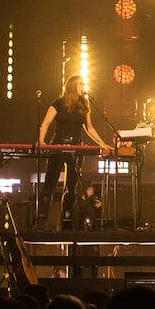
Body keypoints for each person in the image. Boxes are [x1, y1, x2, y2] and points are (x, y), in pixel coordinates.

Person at [36, 75, 113, 228]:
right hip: (58, 146)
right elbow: (45, 123)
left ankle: (67, 217)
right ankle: (41, 219)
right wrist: (41, 141)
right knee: (50, 184)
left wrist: (102, 144)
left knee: (72, 186)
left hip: (76, 148)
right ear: (72, 86)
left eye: (84, 84)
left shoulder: (84, 105)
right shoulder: (58, 103)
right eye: (81, 84)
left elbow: (89, 128)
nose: (84, 86)